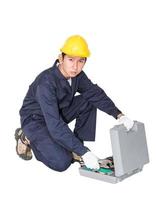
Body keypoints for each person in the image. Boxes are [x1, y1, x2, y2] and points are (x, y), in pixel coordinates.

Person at [15, 35, 134, 172]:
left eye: (81, 61)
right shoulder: (46, 82)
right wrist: (85, 152)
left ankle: (76, 148)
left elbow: (95, 94)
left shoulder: (77, 75)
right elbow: (54, 125)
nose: (75, 66)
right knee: (63, 162)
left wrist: (119, 115)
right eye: (71, 59)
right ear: (61, 58)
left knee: (88, 100)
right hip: (36, 121)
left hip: (57, 112)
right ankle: (26, 137)